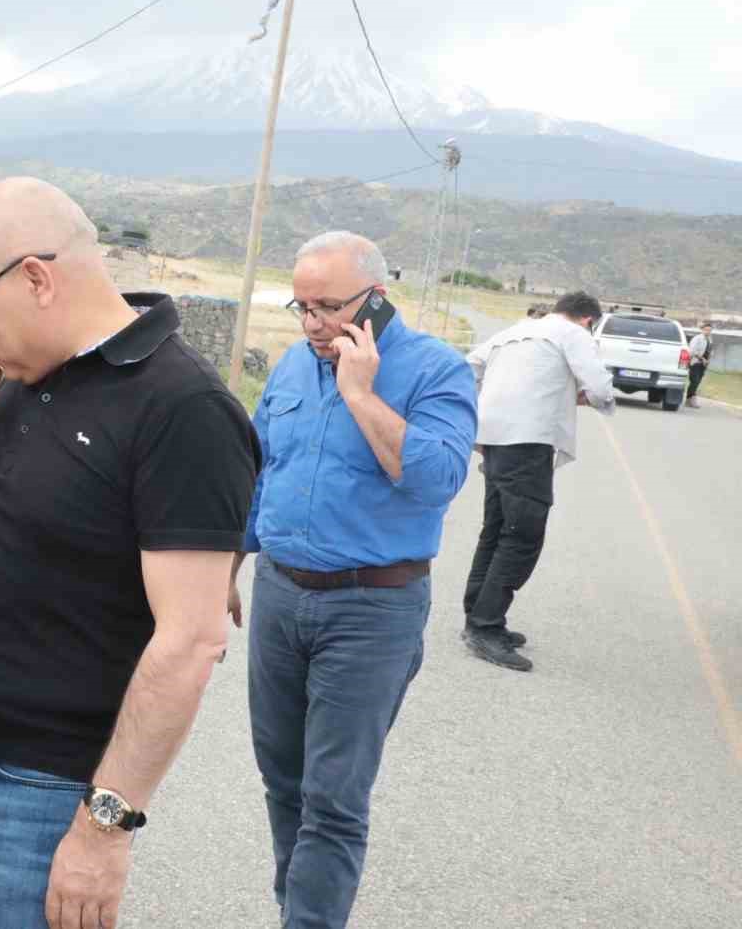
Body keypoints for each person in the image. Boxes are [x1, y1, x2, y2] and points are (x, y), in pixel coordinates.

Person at [0, 178, 260, 929]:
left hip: (30, 793)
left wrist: (104, 831)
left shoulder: (183, 410)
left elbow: (190, 640)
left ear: (35, 278)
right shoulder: (10, 373)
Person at [232, 230, 477, 928]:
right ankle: (299, 911)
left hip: (373, 608)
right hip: (280, 597)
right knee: (283, 781)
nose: (313, 323)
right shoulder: (289, 366)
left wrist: (361, 394)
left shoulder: (437, 370)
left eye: (329, 307)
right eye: (301, 306)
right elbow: (260, 473)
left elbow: (437, 480)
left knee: (332, 798)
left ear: (378, 298)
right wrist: (227, 567)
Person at [461, 292, 614, 672]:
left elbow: (469, 367)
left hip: (493, 438)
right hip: (527, 441)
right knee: (522, 536)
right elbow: (598, 386)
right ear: (587, 320)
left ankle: (476, 615)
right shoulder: (573, 334)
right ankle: (485, 627)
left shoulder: (518, 329)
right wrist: (600, 401)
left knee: (496, 530)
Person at [687, 322, 714, 406]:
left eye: (709, 330)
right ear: (702, 330)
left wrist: (708, 360)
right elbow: (692, 351)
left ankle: (690, 398)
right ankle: (690, 398)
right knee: (694, 381)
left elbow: (710, 351)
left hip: (703, 365)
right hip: (695, 363)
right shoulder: (697, 338)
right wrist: (702, 358)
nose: (708, 332)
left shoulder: (709, 339)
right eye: (706, 330)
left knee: (698, 382)